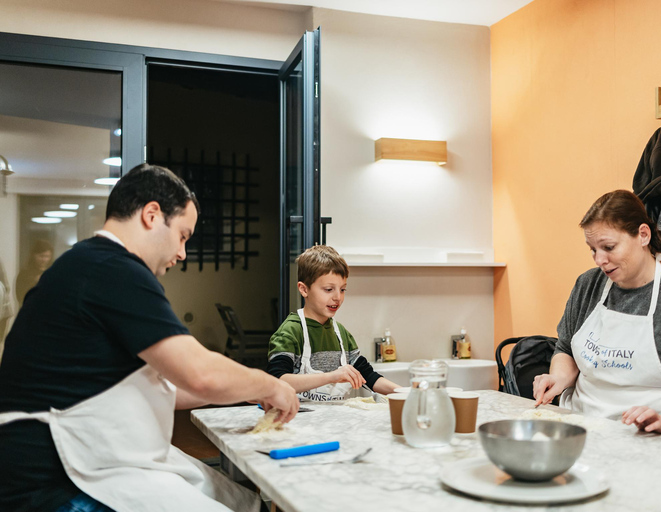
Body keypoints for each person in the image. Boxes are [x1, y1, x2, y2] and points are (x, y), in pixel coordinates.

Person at [0, 164, 299, 512]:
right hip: (52, 480)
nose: (183, 253)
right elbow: (199, 373)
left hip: (83, 457)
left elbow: (166, 387)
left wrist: (243, 391)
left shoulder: (89, 264)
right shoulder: (112, 269)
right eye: (183, 236)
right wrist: (268, 384)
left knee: (241, 501)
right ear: (152, 215)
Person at [533, 190, 661, 446]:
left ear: (643, 235)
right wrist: (558, 378)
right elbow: (565, 347)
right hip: (584, 430)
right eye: (593, 250)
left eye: (609, 247)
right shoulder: (588, 285)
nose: (600, 260)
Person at [267, 245, 400, 401]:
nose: (338, 297)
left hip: (337, 422)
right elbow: (277, 381)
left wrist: (404, 392)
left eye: (342, 289)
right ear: (304, 289)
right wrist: (332, 376)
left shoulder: (341, 334)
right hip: (299, 422)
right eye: (329, 289)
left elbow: (369, 377)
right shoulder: (290, 332)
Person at [15, 239, 53, 304]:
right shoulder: (25, 273)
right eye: (41, 256)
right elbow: (20, 296)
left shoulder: (52, 272)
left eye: (47, 256)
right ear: (34, 255)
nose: (44, 259)